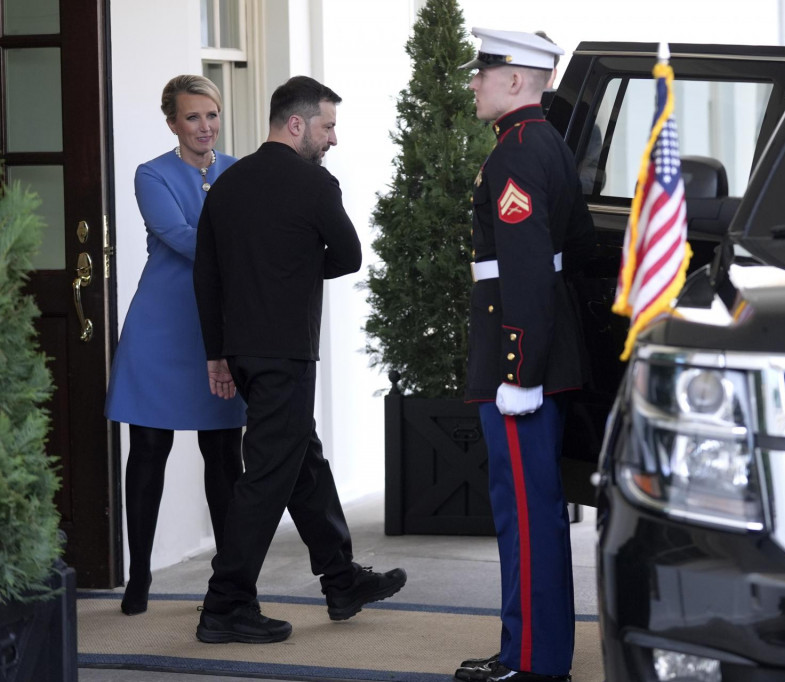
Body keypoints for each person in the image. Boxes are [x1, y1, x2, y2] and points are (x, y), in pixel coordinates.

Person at [192, 75, 407, 644]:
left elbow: (206, 277)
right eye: (328, 126)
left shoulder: (227, 184)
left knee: (300, 461)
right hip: (286, 351)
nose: (332, 138)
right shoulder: (315, 185)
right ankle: (225, 604)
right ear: (297, 123)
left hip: (240, 350)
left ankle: (341, 580)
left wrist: (217, 354)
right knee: (266, 476)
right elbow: (350, 255)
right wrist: (298, 265)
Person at [454, 28, 595, 682]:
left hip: (520, 364)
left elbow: (528, 269)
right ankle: (531, 652)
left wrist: (520, 371)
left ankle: (534, 663)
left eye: (484, 73)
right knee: (532, 512)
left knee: (528, 516)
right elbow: (577, 255)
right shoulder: (547, 144)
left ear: (516, 80)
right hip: (542, 351)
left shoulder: (516, 152)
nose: (474, 82)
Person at [105, 74, 246, 617]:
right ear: (172, 123)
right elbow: (184, 238)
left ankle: (228, 578)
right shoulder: (152, 175)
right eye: (193, 117)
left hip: (219, 330)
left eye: (211, 115)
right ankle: (138, 576)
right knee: (148, 453)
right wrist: (247, 252)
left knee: (222, 455)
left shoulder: (239, 171)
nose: (205, 126)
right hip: (162, 330)